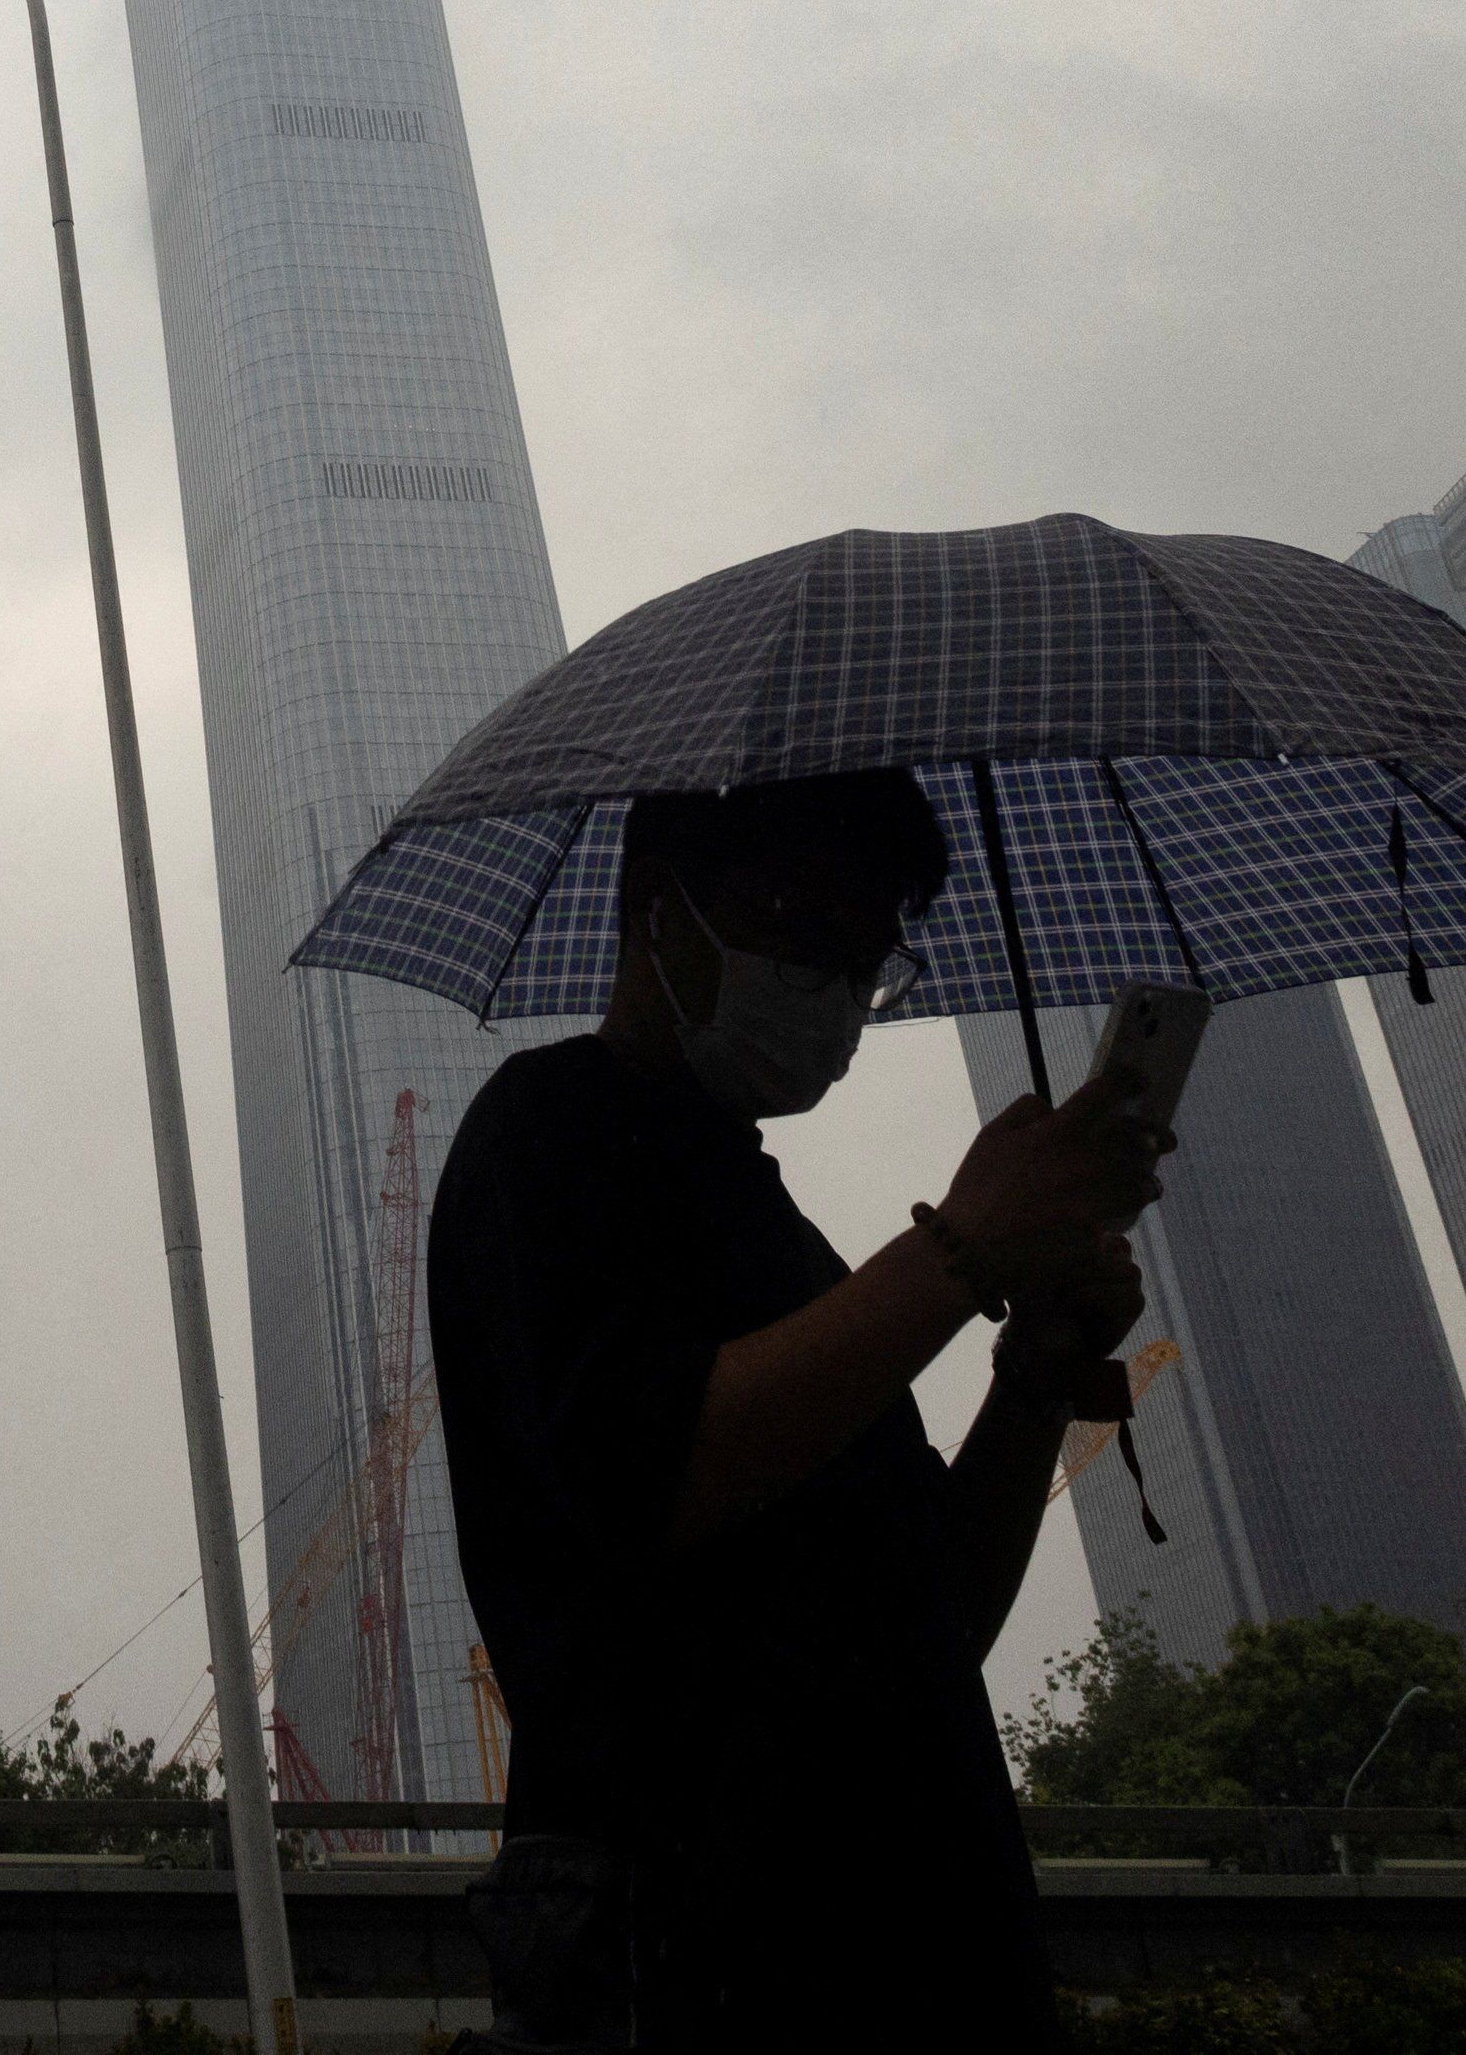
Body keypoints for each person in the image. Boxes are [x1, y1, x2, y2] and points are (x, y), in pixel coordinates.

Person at [429, 767, 1166, 2051]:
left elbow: (932, 1613)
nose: (835, 991)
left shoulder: (774, 1224)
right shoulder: (545, 1135)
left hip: (917, 1938)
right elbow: (657, 1466)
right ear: (660, 908)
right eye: (803, 929)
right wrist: (969, 1246)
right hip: (697, 1948)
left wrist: (1037, 1367)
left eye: (867, 957)